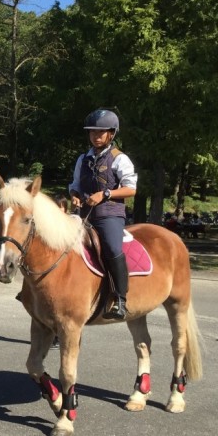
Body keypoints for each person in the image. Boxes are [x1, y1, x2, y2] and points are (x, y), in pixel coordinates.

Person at [69, 109, 137, 319]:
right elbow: (75, 185)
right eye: (92, 132)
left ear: (111, 134)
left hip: (109, 215)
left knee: (112, 247)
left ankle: (120, 299)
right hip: (84, 214)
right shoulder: (83, 159)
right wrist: (74, 195)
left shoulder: (120, 159)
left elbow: (131, 189)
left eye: (101, 132)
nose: (96, 136)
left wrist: (106, 194)